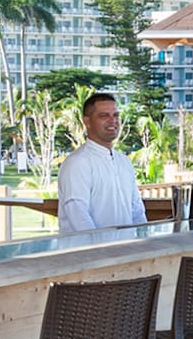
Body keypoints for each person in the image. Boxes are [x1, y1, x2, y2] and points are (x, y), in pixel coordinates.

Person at [57, 92, 148, 233]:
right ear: (87, 122)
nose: (113, 121)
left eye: (116, 115)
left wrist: (144, 240)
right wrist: (100, 248)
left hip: (126, 251)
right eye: (104, 116)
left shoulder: (124, 162)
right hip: (90, 253)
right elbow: (78, 214)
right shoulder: (77, 163)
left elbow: (137, 210)